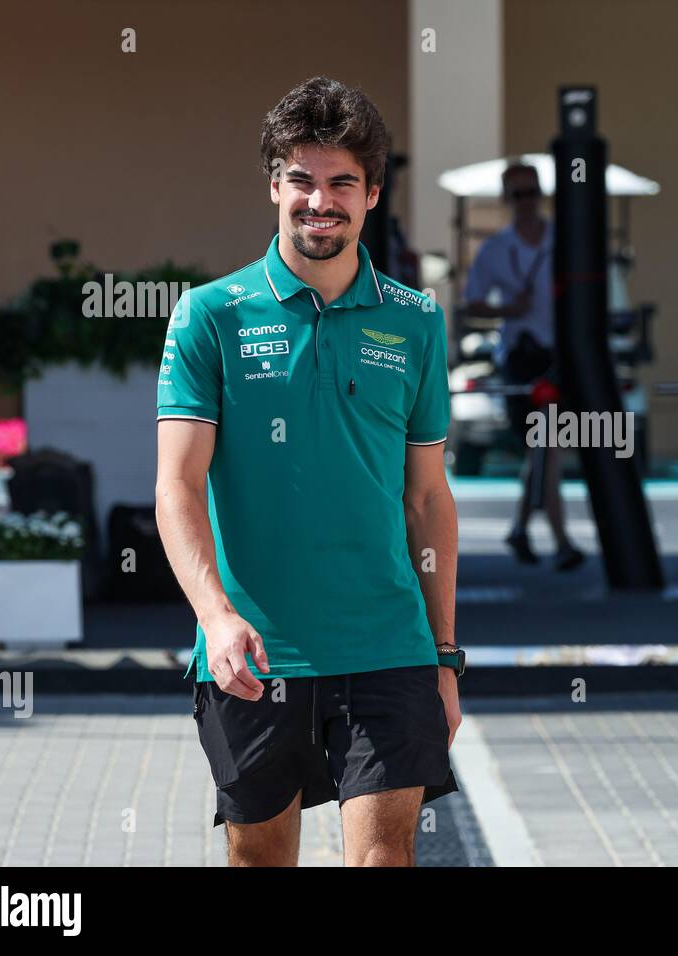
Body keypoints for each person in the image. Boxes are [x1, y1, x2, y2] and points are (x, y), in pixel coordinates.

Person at [155, 76, 463, 867]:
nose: (318, 201)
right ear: (273, 185)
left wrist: (445, 654)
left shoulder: (415, 320)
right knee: (261, 858)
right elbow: (177, 487)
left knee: (384, 854)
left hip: (387, 643)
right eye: (301, 180)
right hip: (256, 652)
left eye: (340, 184)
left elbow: (428, 498)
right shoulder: (210, 315)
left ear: (371, 194)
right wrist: (216, 618)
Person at [463, 162, 583, 572]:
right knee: (545, 446)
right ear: (506, 200)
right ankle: (556, 538)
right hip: (521, 356)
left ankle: (525, 529)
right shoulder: (497, 248)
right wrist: (506, 309)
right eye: (517, 194)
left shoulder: (562, 241)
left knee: (545, 447)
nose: (526, 201)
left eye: (531, 192)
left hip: (557, 355)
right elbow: (472, 300)